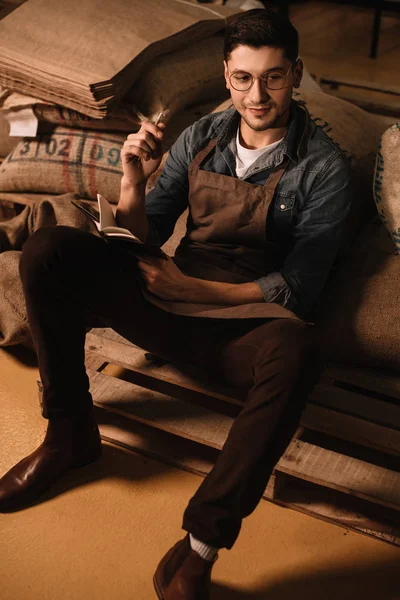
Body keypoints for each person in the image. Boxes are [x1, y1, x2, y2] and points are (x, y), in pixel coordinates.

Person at [0, 9, 352, 599]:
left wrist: (197, 292)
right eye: (243, 79)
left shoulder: (324, 168)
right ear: (225, 75)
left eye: (272, 77)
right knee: (49, 249)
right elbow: (145, 233)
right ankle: (69, 435)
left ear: (295, 73)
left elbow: (299, 288)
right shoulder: (200, 137)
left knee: (299, 349)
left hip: (242, 328)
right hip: (167, 302)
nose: (256, 95)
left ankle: (199, 545)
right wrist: (133, 181)